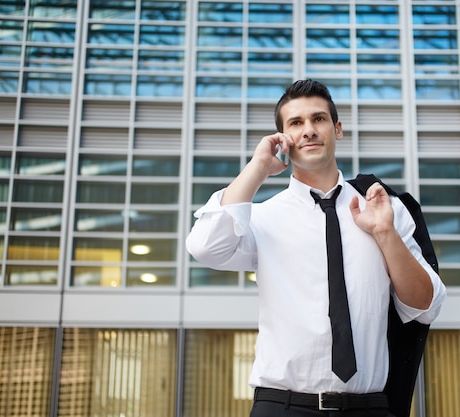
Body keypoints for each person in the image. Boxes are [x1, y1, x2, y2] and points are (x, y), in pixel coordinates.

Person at [186, 79, 446, 417]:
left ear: (337, 129)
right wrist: (258, 167)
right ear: (283, 139)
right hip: (283, 406)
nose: (309, 130)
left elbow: (424, 307)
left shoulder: (385, 209)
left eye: (319, 119)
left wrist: (384, 233)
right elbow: (205, 247)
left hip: (369, 407)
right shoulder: (263, 217)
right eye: (296, 123)